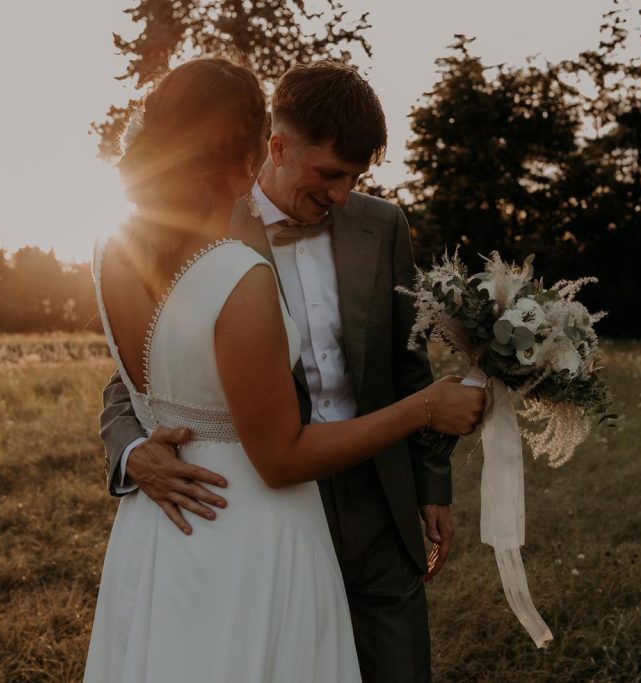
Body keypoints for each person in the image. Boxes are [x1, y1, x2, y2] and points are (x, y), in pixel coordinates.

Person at [86, 57, 484, 682]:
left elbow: (408, 364)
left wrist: (432, 485)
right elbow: (138, 371)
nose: (341, 194)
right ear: (272, 147)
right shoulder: (206, 238)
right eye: (328, 173)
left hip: (373, 497)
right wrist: (132, 448)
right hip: (257, 504)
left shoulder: (383, 227)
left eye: (355, 177)